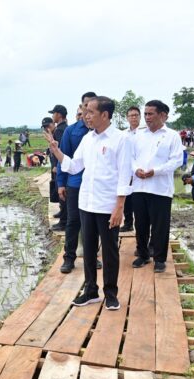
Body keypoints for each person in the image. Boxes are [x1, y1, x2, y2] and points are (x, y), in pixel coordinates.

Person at [46, 96, 133, 310]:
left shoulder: (120, 140)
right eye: (85, 111)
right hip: (86, 203)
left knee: (110, 251)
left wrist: (119, 207)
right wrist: (57, 151)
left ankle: (111, 293)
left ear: (105, 115)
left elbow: (125, 175)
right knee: (90, 249)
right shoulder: (88, 139)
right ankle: (91, 290)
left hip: (107, 205)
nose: (86, 115)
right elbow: (75, 166)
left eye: (90, 112)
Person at [130, 100, 183, 273]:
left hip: (160, 188)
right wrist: (135, 169)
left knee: (160, 225)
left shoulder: (172, 135)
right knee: (141, 224)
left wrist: (155, 171)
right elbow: (130, 157)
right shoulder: (138, 134)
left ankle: (160, 259)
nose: (146, 117)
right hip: (139, 187)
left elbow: (176, 160)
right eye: (145, 114)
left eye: (150, 114)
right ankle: (143, 255)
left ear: (162, 115)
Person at [55, 93, 95, 273]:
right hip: (76, 183)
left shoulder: (100, 132)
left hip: (96, 185)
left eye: (91, 106)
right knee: (73, 221)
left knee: (93, 224)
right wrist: (61, 183)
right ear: (82, 106)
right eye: (85, 105)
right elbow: (64, 158)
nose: (88, 109)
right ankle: (69, 258)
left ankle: (92, 257)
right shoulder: (72, 131)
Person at [120, 106, 143, 232]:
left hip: (140, 172)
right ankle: (128, 223)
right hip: (127, 172)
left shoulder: (145, 133)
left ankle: (140, 225)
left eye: (136, 115)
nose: (133, 117)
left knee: (139, 201)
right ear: (127, 118)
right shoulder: (123, 134)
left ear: (140, 116)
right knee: (126, 199)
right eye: (131, 115)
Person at [49, 104, 69, 231]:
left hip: (60, 165)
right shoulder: (61, 128)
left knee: (62, 194)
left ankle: (64, 221)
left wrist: (57, 165)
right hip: (60, 165)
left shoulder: (61, 130)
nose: (52, 116)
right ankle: (63, 215)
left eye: (54, 113)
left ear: (59, 115)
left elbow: (61, 149)